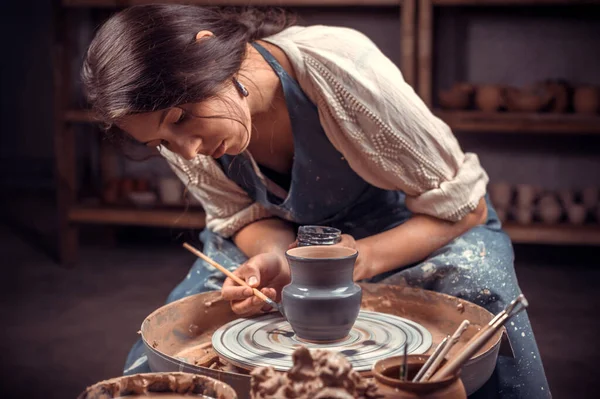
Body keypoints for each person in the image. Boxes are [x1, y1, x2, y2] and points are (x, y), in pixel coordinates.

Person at [82, 4, 550, 398]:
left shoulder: (339, 67)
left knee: (477, 296)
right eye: (161, 142)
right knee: (171, 342)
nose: (186, 151)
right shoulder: (189, 138)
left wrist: (349, 262)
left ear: (206, 53)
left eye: (181, 118)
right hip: (291, 243)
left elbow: (462, 206)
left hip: (410, 228)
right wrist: (276, 261)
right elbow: (241, 215)